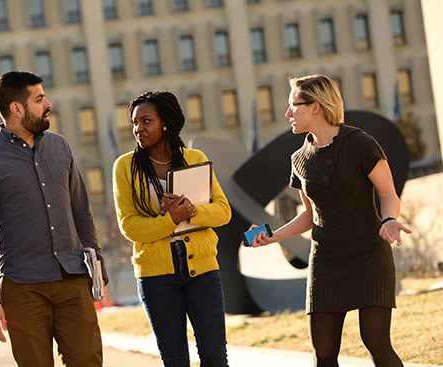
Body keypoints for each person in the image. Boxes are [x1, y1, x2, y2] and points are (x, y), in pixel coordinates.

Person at [248, 74, 412, 367]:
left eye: (293, 105)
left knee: (376, 342)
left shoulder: (361, 143)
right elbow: (310, 214)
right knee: (323, 354)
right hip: (325, 262)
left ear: (316, 107)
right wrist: (274, 237)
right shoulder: (298, 159)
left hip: (368, 255)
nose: (287, 114)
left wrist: (389, 220)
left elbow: (388, 193)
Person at [0, 71, 107, 367]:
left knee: (88, 362)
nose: (49, 104)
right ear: (17, 108)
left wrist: (97, 265)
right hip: (22, 287)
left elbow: (81, 211)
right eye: (39, 98)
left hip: (71, 279)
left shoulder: (60, 146)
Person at [112, 90, 232, 367]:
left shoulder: (194, 157)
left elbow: (223, 211)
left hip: (202, 270)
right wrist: (170, 220)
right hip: (156, 276)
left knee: (215, 358)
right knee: (175, 360)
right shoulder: (125, 167)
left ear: (165, 122)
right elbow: (129, 225)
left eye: (146, 121)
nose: (138, 129)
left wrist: (192, 211)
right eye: (135, 123)